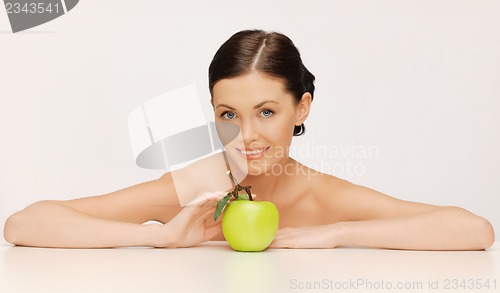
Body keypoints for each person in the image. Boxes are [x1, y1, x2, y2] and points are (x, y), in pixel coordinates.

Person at [3, 30, 494, 250]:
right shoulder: (198, 187)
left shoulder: (322, 196)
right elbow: (25, 224)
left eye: (266, 112)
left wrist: (337, 233)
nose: (248, 136)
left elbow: (473, 231)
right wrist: (158, 235)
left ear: (301, 108)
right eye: (228, 114)